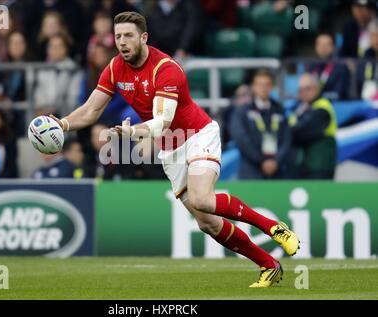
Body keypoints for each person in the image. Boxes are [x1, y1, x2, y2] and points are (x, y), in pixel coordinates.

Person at [48, 11, 299, 287]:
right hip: (170, 149)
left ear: (144, 37)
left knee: (203, 199)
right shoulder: (115, 67)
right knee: (207, 223)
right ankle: (268, 264)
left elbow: (162, 122)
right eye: (118, 36)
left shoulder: (166, 69)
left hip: (196, 135)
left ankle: (273, 227)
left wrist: (131, 132)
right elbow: (90, 110)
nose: (122, 42)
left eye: (128, 35)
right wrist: (61, 124)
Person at [230, 70, 291, 180]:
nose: (263, 88)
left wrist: (276, 161)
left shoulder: (280, 110)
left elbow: (286, 138)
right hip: (251, 171)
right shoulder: (242, 111)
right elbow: (242, 139)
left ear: (272, 87)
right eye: (259, 84)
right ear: (253, 87)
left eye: (267, 85)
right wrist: (261, 160)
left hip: (277, 171)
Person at [288, 74, 338, 179]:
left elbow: (303, 131)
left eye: (308, 88)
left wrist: (286, 134)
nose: (304, 92)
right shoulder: (300, 108)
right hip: (304, 165)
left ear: (317, 88)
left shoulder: (323, 107)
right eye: (301, 90)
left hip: (320, 166)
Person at [309, 32, 350, 101]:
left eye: (326, 45)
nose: (323, 48)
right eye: (320, 44)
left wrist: (315, 96)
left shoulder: (341, 68)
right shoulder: (311, 66)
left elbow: (337, 94)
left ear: (333, 47)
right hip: (315, 104)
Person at [357, 19, 378, 100]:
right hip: (367, 100)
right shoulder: (365, 56)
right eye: (374, 36)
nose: (377, 39)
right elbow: (359, 79)